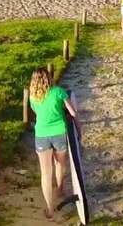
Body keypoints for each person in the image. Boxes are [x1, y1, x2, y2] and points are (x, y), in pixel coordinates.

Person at [29, 68, 80, 219]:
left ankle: (50, 209)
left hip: (42, 135)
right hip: (59, 133)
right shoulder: (59, 91)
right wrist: (79, 129)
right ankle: (60, 189)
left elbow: (38, 113)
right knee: (60, 164)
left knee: (45, 173)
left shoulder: (33, 96)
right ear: (49, 77)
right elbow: (73, 113)